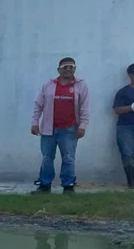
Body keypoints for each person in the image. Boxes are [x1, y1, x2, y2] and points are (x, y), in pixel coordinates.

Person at [30, 57, 90, 194]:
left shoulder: (81, 85)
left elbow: (84, 108)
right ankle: (44, 185)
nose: (68, 70)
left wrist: (83, 126)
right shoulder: (49, 85)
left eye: (71, 67)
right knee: (47, 157)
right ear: (59, 70)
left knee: (68, 157)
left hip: (70, 129)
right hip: (48, 129)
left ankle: (68, 185)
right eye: (65, 67)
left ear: (75, 69)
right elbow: (38, 105)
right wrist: (34, 123)